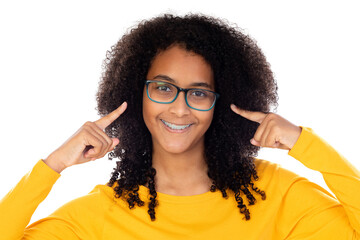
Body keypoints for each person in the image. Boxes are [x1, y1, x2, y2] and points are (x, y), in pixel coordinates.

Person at [0, 13, 359, 239]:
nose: (179, 108)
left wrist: (305, 143)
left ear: (223, 102)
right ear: (135, 92)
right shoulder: (97, 216)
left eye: (199, 94)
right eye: (163, 87)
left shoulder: (279, 196)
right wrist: (53, 165)